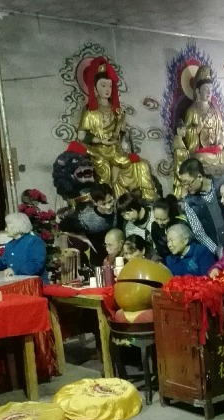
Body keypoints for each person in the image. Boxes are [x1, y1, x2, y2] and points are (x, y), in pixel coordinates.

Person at [77, 57, 158, 201]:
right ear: (95, 88)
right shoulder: (90, 112)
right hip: (99, 152)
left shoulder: (116, 110)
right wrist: (99, 140)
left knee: (142, 165)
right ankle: (112, 200)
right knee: (105, 168)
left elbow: (121, 133)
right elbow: (81, 135)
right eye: (103, 85)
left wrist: (121, 127)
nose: (107, 89)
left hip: (116, 150)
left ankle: (148, 200)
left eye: (109, 85)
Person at [183, 65, 224, 168]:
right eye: (206, 89)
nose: (209, 92)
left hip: (217, 151)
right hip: (202, 153)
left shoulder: (215, 111)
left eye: (211, 89)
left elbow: (222, 131)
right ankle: (219, 160)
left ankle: (219, 159)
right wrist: (198, 128)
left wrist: (221, 145)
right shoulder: (192, 111)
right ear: (198, 91)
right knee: (199, 159)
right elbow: (186, 134)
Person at [178, 158, 224, 257]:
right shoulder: (190, 202)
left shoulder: (222, 187)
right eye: (183, 183)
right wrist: (217, 250)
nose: (185, 187)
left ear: (199, 177)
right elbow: (199, 233)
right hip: (214, 253)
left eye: (187, 183)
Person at [59, 183, 117, 267]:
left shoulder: (117, 207)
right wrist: (83, 239)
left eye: (110, 201)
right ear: (94, 202)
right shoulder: (86, 218)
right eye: (103, 204)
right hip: (99, 257)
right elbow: (62, 227)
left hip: (118, 253)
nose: (108, 207)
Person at [0, 213, 48, 283]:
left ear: (17, 226)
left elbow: (37, 265)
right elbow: (3, 262)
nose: (5, 229)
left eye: (7, 226)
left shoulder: (34, 241)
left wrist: (15, 270)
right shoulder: (9, 245)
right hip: (16, 284)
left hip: (35, 284)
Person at [150, 195, 189, 263]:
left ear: (171, 215)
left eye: (164, 219)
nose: (159, 223)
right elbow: (159, 248)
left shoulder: (181, 223)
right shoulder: (155, 227)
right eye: (156, 218)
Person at [172, 120, 189, 199]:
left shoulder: (181, 142)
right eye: (183, 129)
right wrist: (182, 177)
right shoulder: (178, 144)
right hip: (181, 174)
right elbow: (178, 163)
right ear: (178, 130)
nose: (185, 132)